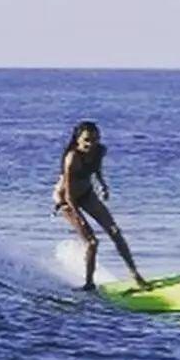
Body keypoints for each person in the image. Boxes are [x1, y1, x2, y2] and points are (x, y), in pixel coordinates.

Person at [53, 121, 148, 291]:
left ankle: (135, 275)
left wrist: (103, 185)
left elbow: (96, 169)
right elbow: (68, 194)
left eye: (95, 140)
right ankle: (89, 284)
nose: (91, 144)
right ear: (78, 140)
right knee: (92, 242)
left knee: (115, 232)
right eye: (87, 140)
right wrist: (79, 217)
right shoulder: (72, 158)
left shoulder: (100, 151)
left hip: (87, 194)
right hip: (66, 200)